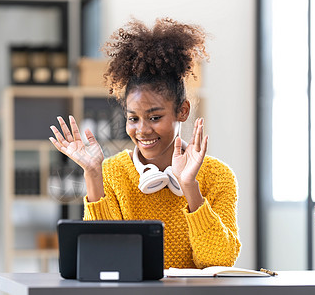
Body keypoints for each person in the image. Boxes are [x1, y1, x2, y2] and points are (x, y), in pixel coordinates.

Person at [49, 18, 241, 269]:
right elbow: (105, 260)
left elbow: (218, 262)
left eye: (154, 117)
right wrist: (93, 174)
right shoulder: (112, 172)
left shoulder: (218, 176)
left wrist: (189, 187)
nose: (142, 130)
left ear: (182, 111)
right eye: (133, 118)